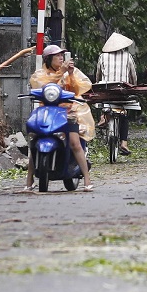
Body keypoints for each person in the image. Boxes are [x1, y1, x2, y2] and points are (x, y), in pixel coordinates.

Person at [23, 44, 94, 192]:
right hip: (46, 112)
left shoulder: (69, 73)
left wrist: (71, 74)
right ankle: (29, 182)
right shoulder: (40, 73)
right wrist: (60, 73)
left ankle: (87, 180)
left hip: (68, 111)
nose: (61, 58)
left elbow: (77, 89)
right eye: (57, 56)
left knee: (75, 143)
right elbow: (39, 85)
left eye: (62, 55)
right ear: (48, 59)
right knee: (34, 142)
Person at [94, 32, 139, 156]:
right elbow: (133, 75)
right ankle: (124, 143)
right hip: (122, 91)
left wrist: (98, 84)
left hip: (106, 91)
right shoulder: (127, 56)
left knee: (103, 103)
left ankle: (103, 117)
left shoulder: (102, 57)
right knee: (124, 113)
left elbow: (98, 75)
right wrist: (134, 86)